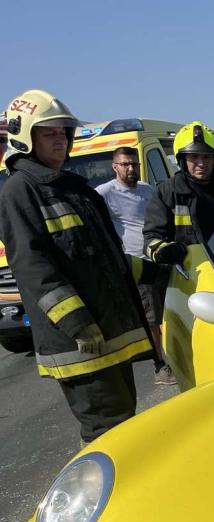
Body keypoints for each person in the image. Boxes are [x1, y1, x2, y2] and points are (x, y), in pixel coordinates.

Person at [0, 90, 163, 443]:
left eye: (63, 131)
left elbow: (104, 258)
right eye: (48, 133)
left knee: (125, 423)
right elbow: (33, 269)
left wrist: (158, 272)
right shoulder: (20, 191)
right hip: (80, 343)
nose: (60, 139)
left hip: (107, 332)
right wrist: (77, 323)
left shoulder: (73, 188)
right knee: (107, 432)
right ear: (25, 137)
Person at [96, 148, 174, 386]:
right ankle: (160, 366)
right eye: (125, 164)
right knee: (152, 320)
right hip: (138, 264)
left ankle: (177, 356)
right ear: (115, 167)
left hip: (160, 259)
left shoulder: (147, 190)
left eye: (134, 164)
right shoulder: (104, 193)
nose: (131, 168)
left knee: (171, 313)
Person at [143, 121, 214, 267]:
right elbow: (151, 238)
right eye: (194, 156)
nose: (201, 163)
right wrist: (163, 251)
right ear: (183, 160)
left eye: (206, 157)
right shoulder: (166, 193)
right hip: (188, 275)